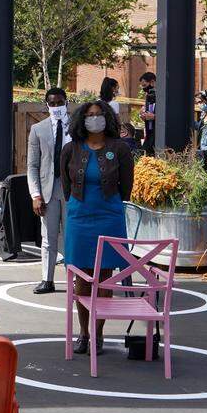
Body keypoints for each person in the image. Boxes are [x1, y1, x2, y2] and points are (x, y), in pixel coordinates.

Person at [60, 100, 134, 356]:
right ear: (82, 119)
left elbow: (126, 187)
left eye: (99, 114)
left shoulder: (120, 149)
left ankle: (99, 333)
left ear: (107, 118)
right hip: (80, 216)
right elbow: (67, 187)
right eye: (90, 115)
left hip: (109, 216)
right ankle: (84, 332)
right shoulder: (71, 149)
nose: (94, 119)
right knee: (82, 276)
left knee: (103, 276)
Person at [26, 87, 70, 295]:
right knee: (48, 237)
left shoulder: (77, 127)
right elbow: (32, 165)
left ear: (66, 103)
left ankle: (76, 278)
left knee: (73, 236)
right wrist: (35, 194)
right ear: (46, 105)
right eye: (52, 103)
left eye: (60, 102)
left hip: (73, 191)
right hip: (47, 190)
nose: (56, 107)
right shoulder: (38, 129)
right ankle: (47, 279)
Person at [139, 71, 157, 156]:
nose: (144, 88)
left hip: (158, 134)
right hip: (149, 133)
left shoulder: (162, 95)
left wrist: (155, 117)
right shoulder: (149, 95)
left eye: (145, 85)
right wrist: (143, 114)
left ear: (152, 82)